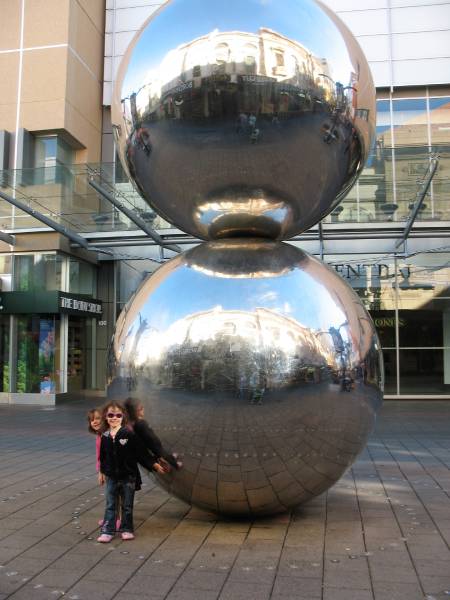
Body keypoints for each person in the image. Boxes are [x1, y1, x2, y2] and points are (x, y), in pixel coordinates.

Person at [97, 402, 165, 543]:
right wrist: (103, 472)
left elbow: (141, 453)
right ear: (105, 417)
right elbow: (103, 457)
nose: (114, 418)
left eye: (118, 415)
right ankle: (107, 530)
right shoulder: (105, 436)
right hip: (112, 477)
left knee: (127, 506)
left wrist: (153, 464)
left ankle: (126, 529)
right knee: (110, 504)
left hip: (128, 477)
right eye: (110, 415)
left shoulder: (129, 435)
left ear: (123, 417)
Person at [124, 398, 182, 471]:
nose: (143, 409)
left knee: (163, 454)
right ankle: (176, 465)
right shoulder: (141, 424)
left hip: (149, 445)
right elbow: (151, 438)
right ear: (136, 412)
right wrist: (157, 447)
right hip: (154, 446)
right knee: (163, 455)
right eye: (141, 408)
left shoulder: (131, 422)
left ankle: (171, 458)